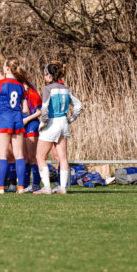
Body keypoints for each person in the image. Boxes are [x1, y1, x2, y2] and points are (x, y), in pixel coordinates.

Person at [34, 61, 83, 194]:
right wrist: (70, 119)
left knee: (40, 156)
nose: (44, 76)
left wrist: (43, 122)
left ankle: (47, 187)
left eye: (45, 74)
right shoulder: (66, 89)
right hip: (63, 123)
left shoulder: (47, 89)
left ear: (49, 75)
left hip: (52, 122)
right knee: (63, 157)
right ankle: (62, 187)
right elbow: (78, 106)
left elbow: (44, 109)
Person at [0, 57, 30, 193]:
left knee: (3, 155)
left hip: (3, 120)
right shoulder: (20, 85)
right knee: (19, 155)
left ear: (6, 68)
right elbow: (25, 109)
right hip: (17, 119)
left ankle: (0, 186)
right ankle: (21, 187)